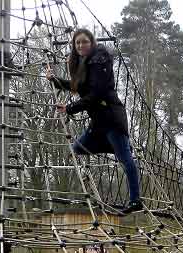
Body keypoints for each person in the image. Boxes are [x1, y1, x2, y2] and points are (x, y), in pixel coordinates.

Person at [47, 29, 143, 214]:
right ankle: (115, 147)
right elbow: (77, 87)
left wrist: (70, 108)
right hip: (98, 122)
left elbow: (96, 93)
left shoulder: (100, 61)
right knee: (77, 148)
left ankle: (135, 200)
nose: (81, 46)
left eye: (84, 42)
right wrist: (55, 80)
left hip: (112, 118)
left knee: (125, 159)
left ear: (91, 43)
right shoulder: (84, 65)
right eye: (77, 43)